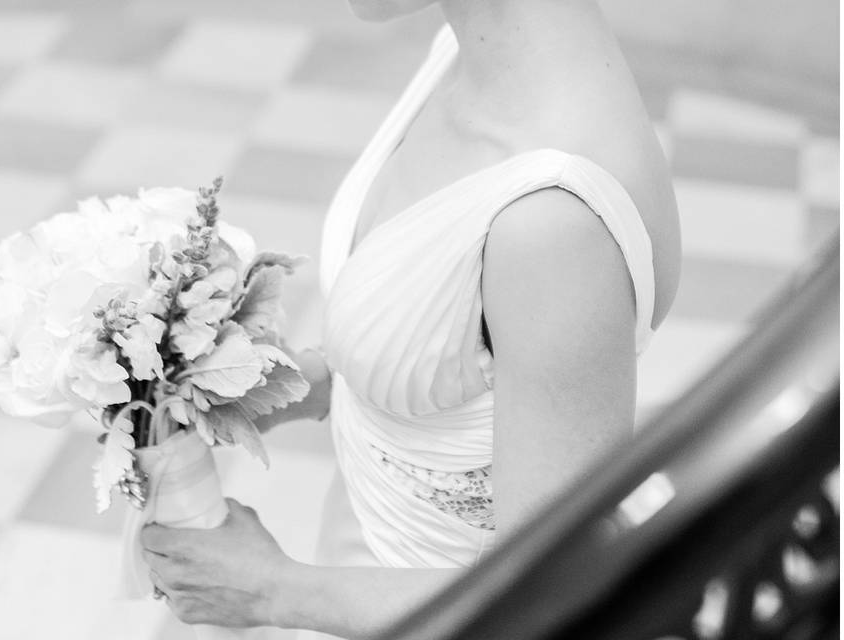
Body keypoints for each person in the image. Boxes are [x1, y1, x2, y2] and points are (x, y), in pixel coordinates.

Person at [140, 0, 681, 637]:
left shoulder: (552, 220)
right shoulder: (465, 57)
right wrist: (292, 383)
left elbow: (553, 594)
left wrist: (272, 591)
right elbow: (465, 368)